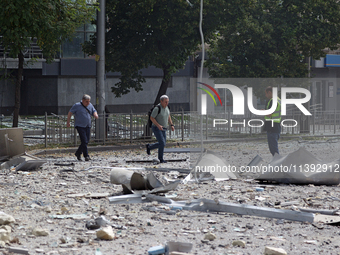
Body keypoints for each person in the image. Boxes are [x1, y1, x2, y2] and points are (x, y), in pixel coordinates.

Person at [67, 94, 98, 161]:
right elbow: (70, 112)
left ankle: (78, 153)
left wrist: (95, 114)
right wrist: (68, 122)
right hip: (80, 125)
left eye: (89, 101)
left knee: (86, 141)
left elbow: (94, 111)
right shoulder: (77, 105)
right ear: (83, 100)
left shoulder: (90, 105)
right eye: (86, 101)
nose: (88, 103)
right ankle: (86, 156)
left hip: (88, 125)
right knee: (84, 140)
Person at [146, 95, 175, 163]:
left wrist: (171, 124)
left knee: (163, 143)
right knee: (162, 142)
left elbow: (168, 116)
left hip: (164, 128)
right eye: (165, 102)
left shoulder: (167, 107)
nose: (166, 103)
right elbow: (152, 118)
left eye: (167, 102)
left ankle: (149, 147)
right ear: (161, 101)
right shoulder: (157, 108)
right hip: (156, 127)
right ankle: (160, 159)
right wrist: (158, 125)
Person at [264, 86, 281, 156]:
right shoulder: (278, 100)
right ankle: (277, 164)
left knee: (273, 149)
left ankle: (278, 165)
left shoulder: (273, 101)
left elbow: (269, 113)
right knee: (274, 148)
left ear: (269, 92)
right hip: (276, 126)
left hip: (272, 127)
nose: (266, 95)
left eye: (266, 93)